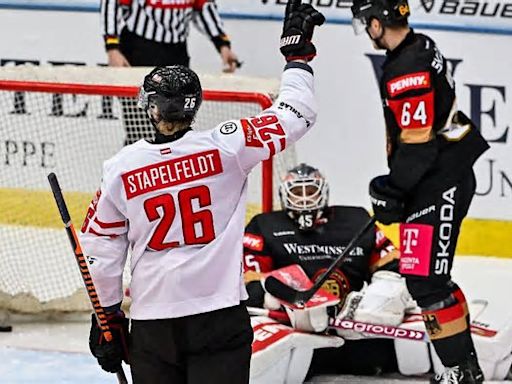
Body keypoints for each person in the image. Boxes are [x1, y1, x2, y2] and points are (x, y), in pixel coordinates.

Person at [80, 1, 325, 383]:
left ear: (150, 108)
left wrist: (107, 318)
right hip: (219, 318)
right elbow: (298, 112)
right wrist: (297, 57)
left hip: (154, 327)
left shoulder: (121, 168)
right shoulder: (228, 146)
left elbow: (100, 251)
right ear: (196, 106)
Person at [350, 0, 490, 382]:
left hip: (440, 181)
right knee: (428, 279)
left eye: (368, 23)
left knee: (425, 281)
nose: (366, 30)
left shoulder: (406, 69)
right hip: (438, 176)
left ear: (379, 23)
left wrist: (394, 188)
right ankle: (465, 371)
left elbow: (418, 142)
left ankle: (459, 373)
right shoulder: (420, 45)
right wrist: (398, 188)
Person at [243, 163, 414, 376]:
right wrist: (278, 300)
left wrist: (381, 298)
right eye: (297, 192)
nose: (305, 198)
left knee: (396, 296)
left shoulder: (356, 219)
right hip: (296, 327)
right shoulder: (264, 225)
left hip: (354, 328)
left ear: (323, 191)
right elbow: (250, 280)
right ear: (285, 194)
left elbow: (392, 264)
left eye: (311, 191)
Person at [100, 0, 241, 144]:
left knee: (178, 130)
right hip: (138, 52)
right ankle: (136, 164)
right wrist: (112, 48)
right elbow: (112, 3)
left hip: (176, 53)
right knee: (140, 130)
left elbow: (204, 7)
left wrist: (223, 45)